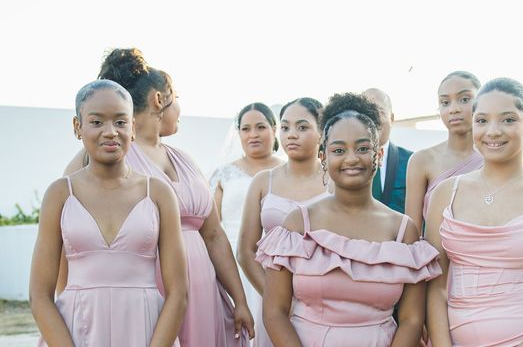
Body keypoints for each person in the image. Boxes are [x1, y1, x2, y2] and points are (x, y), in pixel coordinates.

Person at [64, 48, 254, 346]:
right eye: (176, 97)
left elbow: (214, 234)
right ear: (159, 99)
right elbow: (68, 229)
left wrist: (239, 298)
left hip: (203, 291)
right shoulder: (98, 157)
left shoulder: (186, 160)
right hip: (149, 293)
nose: (179, 107)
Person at [257, 92, 442, 346]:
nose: (352, 158)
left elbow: (411, 319)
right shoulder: (297, 224)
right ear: (324, 157)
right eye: (339, 150)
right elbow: (274, 312)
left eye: (363, 148)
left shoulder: (402, 230)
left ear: (378, 155)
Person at [425, 77, 523, 346]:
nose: (493, 131)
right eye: (482, 120)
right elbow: (435, 286)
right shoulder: (446, 193)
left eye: (508, 120)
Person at [31, 80, 188, 346]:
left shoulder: (159, 194)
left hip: (146, 330)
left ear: (133, 128)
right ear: (77, 127)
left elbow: (179, 293)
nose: (110, 132)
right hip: (76, 331)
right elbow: (39, 295)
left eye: (120, 122)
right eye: (96, 122)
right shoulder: (59, 194)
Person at [237, 97, 329, 346]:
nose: (292, 135)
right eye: (286, 127)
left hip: (323, 305)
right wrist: (275, 299)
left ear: (322, 132)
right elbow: (246, 251)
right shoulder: (263, 181)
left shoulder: (333, 182)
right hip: (275, 304)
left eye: (302, 127)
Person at [210, 102, 285, 319]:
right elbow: (211, 228)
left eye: (261, 127)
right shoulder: (223, 174)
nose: (253, 134)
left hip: (278, 265)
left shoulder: (288, 171)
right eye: (246, 129)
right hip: (233, 264)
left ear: (274, 129)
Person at [405, 71, 483, 233]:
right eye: (445, 102)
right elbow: (412, 232)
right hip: (435, 255)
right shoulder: (422, 160)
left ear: (481, 102)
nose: (453, 109)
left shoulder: (494, 159)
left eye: (464, 99)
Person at [363, 88, 413, 213]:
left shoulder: (412, 162)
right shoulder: (346, 163)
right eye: (365, 111)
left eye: (378, 111)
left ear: (392, 118)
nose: (372, 118)